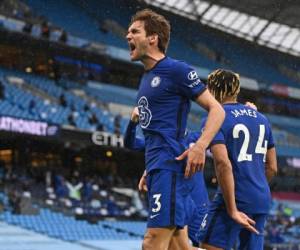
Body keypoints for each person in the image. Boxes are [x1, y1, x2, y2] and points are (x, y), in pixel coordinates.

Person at [126, 9, 225, 250]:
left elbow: (217, 109)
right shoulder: (147, 78)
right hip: (159, 168)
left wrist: (201, 146)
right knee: (178, 246)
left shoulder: (176, 70)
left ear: (153, 38)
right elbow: (156, 133)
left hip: (170, 167)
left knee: (152, 243)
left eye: (134, 31)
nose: (127, 36)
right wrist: (150, 168)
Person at [197, 69, 277, 250]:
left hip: (233, 199)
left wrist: (232, 208)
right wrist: (255, 186)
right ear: (236, 90)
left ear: (212, 89)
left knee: (208, 246)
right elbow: (272, 167)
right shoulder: (263, 119)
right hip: (261, 199)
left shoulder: (215, 118)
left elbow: (223, 163)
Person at [124, 108, 209, 249]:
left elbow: (220, 129)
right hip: (175, 202)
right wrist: (133, 122)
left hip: (197, 204)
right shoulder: (159, 143)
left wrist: (246, 112)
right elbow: (130, 143)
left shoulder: (196, 138)